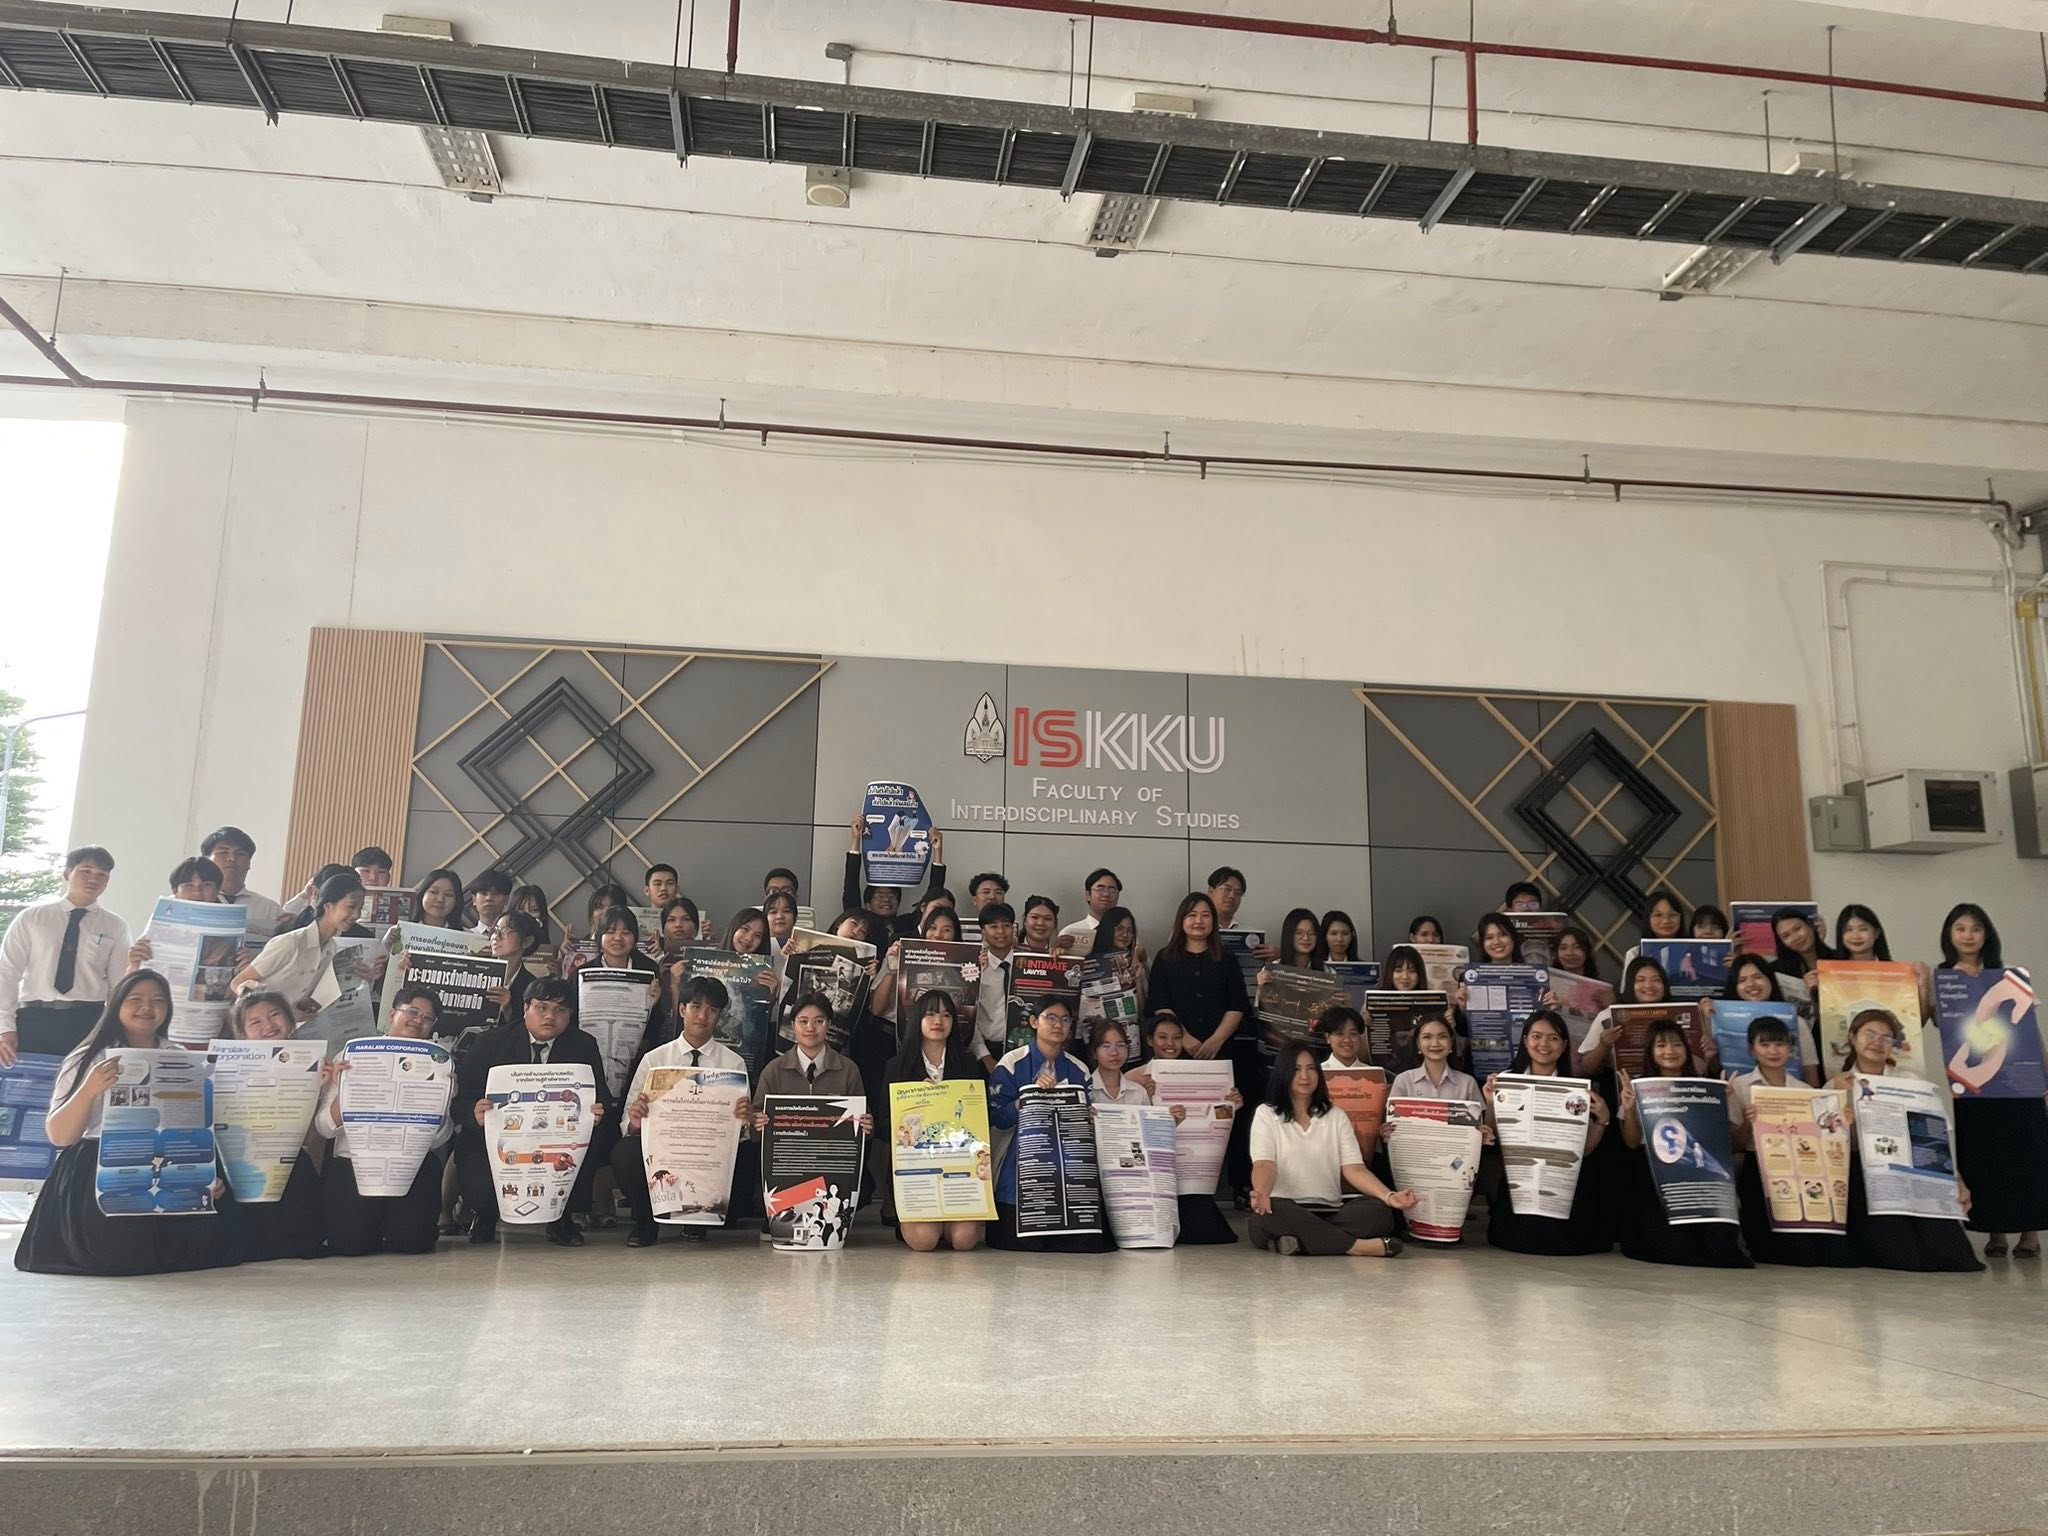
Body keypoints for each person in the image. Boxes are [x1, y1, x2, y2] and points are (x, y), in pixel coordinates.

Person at [14, 970, 232, 1275]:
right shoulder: (87, 1057)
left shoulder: (180, 1056)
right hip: (100, 1166)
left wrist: (202, 1177)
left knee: (193, 1252)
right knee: (120, 1255)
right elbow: (60, 1136)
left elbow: (193, 1129)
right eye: (135, 999)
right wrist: (90, 1088)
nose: (147, 1007)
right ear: (116, 1004)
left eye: (158, 1000)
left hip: (166, 1162)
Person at [454, 977, 613, 1247]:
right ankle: (485, 1215)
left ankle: (561, 1219)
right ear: (525, 1007)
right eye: (542, 1007)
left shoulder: (583, 1045)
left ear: (570, 1015)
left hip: (558, 1137)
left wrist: (597, 1112)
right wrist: (473, 1112)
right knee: (471, 1148)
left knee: (592, 1142)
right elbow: (460, 1100)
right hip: (501, 1138)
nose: (550, 1016)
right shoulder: (490, 1042)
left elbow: (602, 1098)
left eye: (560, 1010)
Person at [1832, 1006, 1982, 1273]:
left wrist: (1957, 1181)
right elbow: (1835, 1148)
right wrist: (1842, 1100)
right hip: (1867, 1178)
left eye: (1886, 1037)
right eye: (1870, 1034)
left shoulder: (1911, 1081)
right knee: (1904, 1256)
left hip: (1917, 1170)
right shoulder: (1836, 1084)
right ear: (1853, 1037)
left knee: (1954, 1256)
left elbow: (1935, 1136)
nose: (1877, 1042)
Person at [613, 975, 756, 1248]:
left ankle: (699, 1219)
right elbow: (626, 1124)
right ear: (682, 1010)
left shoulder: (733, 1063)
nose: (702, 1016)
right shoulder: (655, 1059)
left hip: (708, 1148)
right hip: (664, 1147)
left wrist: (743, 1120)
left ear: (719, 1016)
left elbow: (741, 1133)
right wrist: (635, 1120)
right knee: (625, 1151)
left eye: (712, 1010)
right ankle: (646, 1222)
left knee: (745, 1155)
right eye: (695, 1007)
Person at [1936, 903, 2044, 1259]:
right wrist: (1922, 983)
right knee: (1984, 1157)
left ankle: (2030, 1233)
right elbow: (1928, 1019)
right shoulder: (1943, 980)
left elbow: (2031, 1032)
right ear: (1950, 935)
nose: (1968, 935)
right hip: (1973, 1086)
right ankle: (1995, 1231)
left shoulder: (2009, 978)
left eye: (1976, 929)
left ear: (1987, 935)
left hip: (2019, 1083)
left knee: (2026, 1155)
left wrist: (2044, 1074)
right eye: (1960, 928)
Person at [316, 982, 452, 1257]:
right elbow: (324, 1128)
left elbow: (439, 1138)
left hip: (410, 1165)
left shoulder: (438, 1064)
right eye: (412, 1012)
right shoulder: (352, 1056)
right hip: (354, 1165)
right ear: (392, 1014)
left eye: (427, 1018)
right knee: (350, 1246)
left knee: (414, 1243)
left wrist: (444, 1098)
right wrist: (344, 1091)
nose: (418, 1021)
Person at [1249, 1042, 1416, 1256]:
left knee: (1378, 1212)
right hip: (1286, 1207)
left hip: (1331, 1211)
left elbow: (1355, 1169)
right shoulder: (1266, 1114)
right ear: (1283, 1073)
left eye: (1311, 1068)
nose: (1305, 1076)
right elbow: (1264, 1164)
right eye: (1296, 1069)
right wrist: (1262, 1192)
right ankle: (1357, 1247)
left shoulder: (1336, 1116)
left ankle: (1298, 1242)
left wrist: (1389, 1196)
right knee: (1264, 1217)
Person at [1614, 1018, 1752, 1268]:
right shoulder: (1637, 1088)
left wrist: (1728, 1105)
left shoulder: (1707, 1087)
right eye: (1661, 1045)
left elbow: (1733, 1144)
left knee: (1718, 1249)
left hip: (1700, 1174)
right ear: (1651, 1052)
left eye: (1677, 1044)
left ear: (1687, 1050)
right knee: (1670, 1247)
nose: (1669, 1051)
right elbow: (1631, 1142)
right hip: (1656, 1173)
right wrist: (1630, 1108)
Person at [1147, 892, 1255, 1205]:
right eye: (1192, 915)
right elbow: (1160, 1004)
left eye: (1205, 915)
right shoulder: (1165, 958)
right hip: (1176, 1053)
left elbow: (1237, 1005)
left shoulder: (1227, 959)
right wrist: (1186, 1039)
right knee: (1182, 1118)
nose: (1198, 921)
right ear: (1181, 920)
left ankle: (1235, 1188)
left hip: (1222, 1053)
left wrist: (1216, 1040)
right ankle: (1174, 1186)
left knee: (1226, 1116)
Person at [1726, 1012, 1854, 1268]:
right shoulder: (1739, 1087)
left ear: (1790, 1048)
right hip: (1757, 1170)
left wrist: (1843, 1124)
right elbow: (1734, 1145)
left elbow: (1825, 1140)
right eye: (1765, 1044)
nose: (1773, 1051)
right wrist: (1749, 1123)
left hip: (1802, 1170)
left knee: (1817, 1254)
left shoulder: (1804, 1091)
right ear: (1752, 1049)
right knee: (1773, 1251)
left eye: (1780, 1044)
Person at [211, 989, 329, 1264]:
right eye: (256, 1022)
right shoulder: (223, 1065)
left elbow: (309, 1137)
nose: (268, 1025)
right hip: (237, 1160)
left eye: (275, 1015)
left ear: (289, 1020)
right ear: (242, 1034)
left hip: (285, 1156)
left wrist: (316, 1089)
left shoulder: (312, 1063)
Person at [1483, 1010, 1613, 1256]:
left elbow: (1585, 1150)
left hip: (1560, 1180)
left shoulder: (1576, 1088)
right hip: (1520, 1180)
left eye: (1553, 1038)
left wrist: (1603, 1119)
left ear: (1563, 1045)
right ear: (1525, 1041)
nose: (1544, 1044)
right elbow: (1494, 1135)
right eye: (1536, 1036)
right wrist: (1491, 1103)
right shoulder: (1506, 1081)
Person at [987, 995, 1108, 1251]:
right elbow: (996, 1118)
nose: (1058, 1025)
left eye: (1065, 1020)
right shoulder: (1011, 1063)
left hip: (1068, 1166)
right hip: (1021, 1165)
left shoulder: (1079, 1069)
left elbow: (1088, 1120)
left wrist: (1088, 1116)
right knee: (1020, 1242)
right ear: (1034, 1022)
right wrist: (1026, 1098)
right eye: (1050, 1018)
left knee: (1086, 1244)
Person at [0, 845, 130, 1067]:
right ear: (67, 873)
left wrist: (116, 1032)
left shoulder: (115, 926)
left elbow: (119, 986)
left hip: (88, 1021)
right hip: (33, 1017)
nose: (93, 879)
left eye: (102, 875)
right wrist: (5, 1027)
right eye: (86, 871)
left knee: (81, 1084)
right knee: (28, 1083)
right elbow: (7, 973)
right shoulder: (32, 918)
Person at [885, 991, 986, 1253]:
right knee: (924, 1241)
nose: (938, 1021)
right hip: (917, 1172)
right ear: (917, 1019)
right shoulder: (897, 1067)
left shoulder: (969, 1065)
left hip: (958, 1170)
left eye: (946, 1015)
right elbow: (885, 1126)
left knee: (964, 1241)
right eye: (930, 1014)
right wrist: (916, 1102)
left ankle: (948, 1223)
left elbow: (980, 1122)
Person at [1142, 1010, 1240, 1245]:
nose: (1170, 1044)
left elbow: (1217, 1116)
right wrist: (1145, 1097)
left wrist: (1231, 1104)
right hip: (1155, 1167)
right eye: (1163, 1037)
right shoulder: (1137, 1077)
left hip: (1192, 1167)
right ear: (1150, 1040)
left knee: (1206, 1228)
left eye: (1177, 1037)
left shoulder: (1203, 1074)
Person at [229, 872, 364, 1021]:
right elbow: (238, 983)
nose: (356, 915)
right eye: (351, 907)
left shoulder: (331, 949)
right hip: (263, 1029)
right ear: (328, 906)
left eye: (360, 908)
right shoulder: (291, 943)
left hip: (293, 1029)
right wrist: (281, 1010)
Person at [843, 814, 946, 944]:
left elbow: (933, 900)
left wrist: (937, 852)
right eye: (879, 895)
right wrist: (856, 840)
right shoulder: (861, 924)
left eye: (892, 895)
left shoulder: (907, 924)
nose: (886, 899)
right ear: (868, 905)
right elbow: (851, 888)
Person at [1578, 956, 1689, 1076]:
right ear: (1630, 984)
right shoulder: (1609, 1016)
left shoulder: (1679, 1014)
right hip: (1621, 1084)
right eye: (1641, 980)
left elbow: (1698, 1066)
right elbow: (1586, 1068)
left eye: (1656, 980)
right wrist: (1603, 1045)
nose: (1648, 985)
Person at [1722, 954, 1821, 1085]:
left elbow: (1811, 1074)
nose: (1751, 984)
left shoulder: (1797, 1022)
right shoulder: (1724, 1024)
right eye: (1742, 980)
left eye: (1757, 977)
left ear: (1770, 980)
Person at [201, 827, 285, 941]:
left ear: (249, 863)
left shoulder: (270, 909)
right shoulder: (191, 902)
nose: (231, 858)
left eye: (240, 854)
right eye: (223, 852)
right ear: (206, 861)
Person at [970, 900, 1021, 1069]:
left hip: (1023, 1049)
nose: (1001, 931)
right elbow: (971, 1016)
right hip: (986, 1050)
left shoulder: (1026, 966)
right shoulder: (976, 969)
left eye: (1006, 925)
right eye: (993, 926)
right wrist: (985, 1057)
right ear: (983, 931)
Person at [1390, 1014, 1481, 1102]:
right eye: (1427, 1037)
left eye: (1442, 1037)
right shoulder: (1404, 1081)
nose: (1435, 1043)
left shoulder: (1468, 1083)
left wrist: (1488, 1101)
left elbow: (1479, 1113)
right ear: (1418, 1043)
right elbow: (1393, 1112)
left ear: (1451, 1042)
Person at [482, 911, 545, 1031]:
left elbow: (530, 1030)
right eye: (495, 930)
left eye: (505, 931)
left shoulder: (533, 987)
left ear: (527, 941)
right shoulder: (479, 971)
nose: (496, 936)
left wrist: (508, 1007)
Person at [1058, 868, 1124, 952]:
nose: (1106, 894)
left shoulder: (1125, 934)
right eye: (1100, 889)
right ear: (1088, 895)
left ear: (1117, 896)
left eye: (1112, 890)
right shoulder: (1069, 933)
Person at [468, 868, 514, 937]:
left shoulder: (515, 936)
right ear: (474, 900)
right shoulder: (466, 936)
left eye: (496, 893)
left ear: (506, 899)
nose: (489, 898)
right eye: (483, 893)